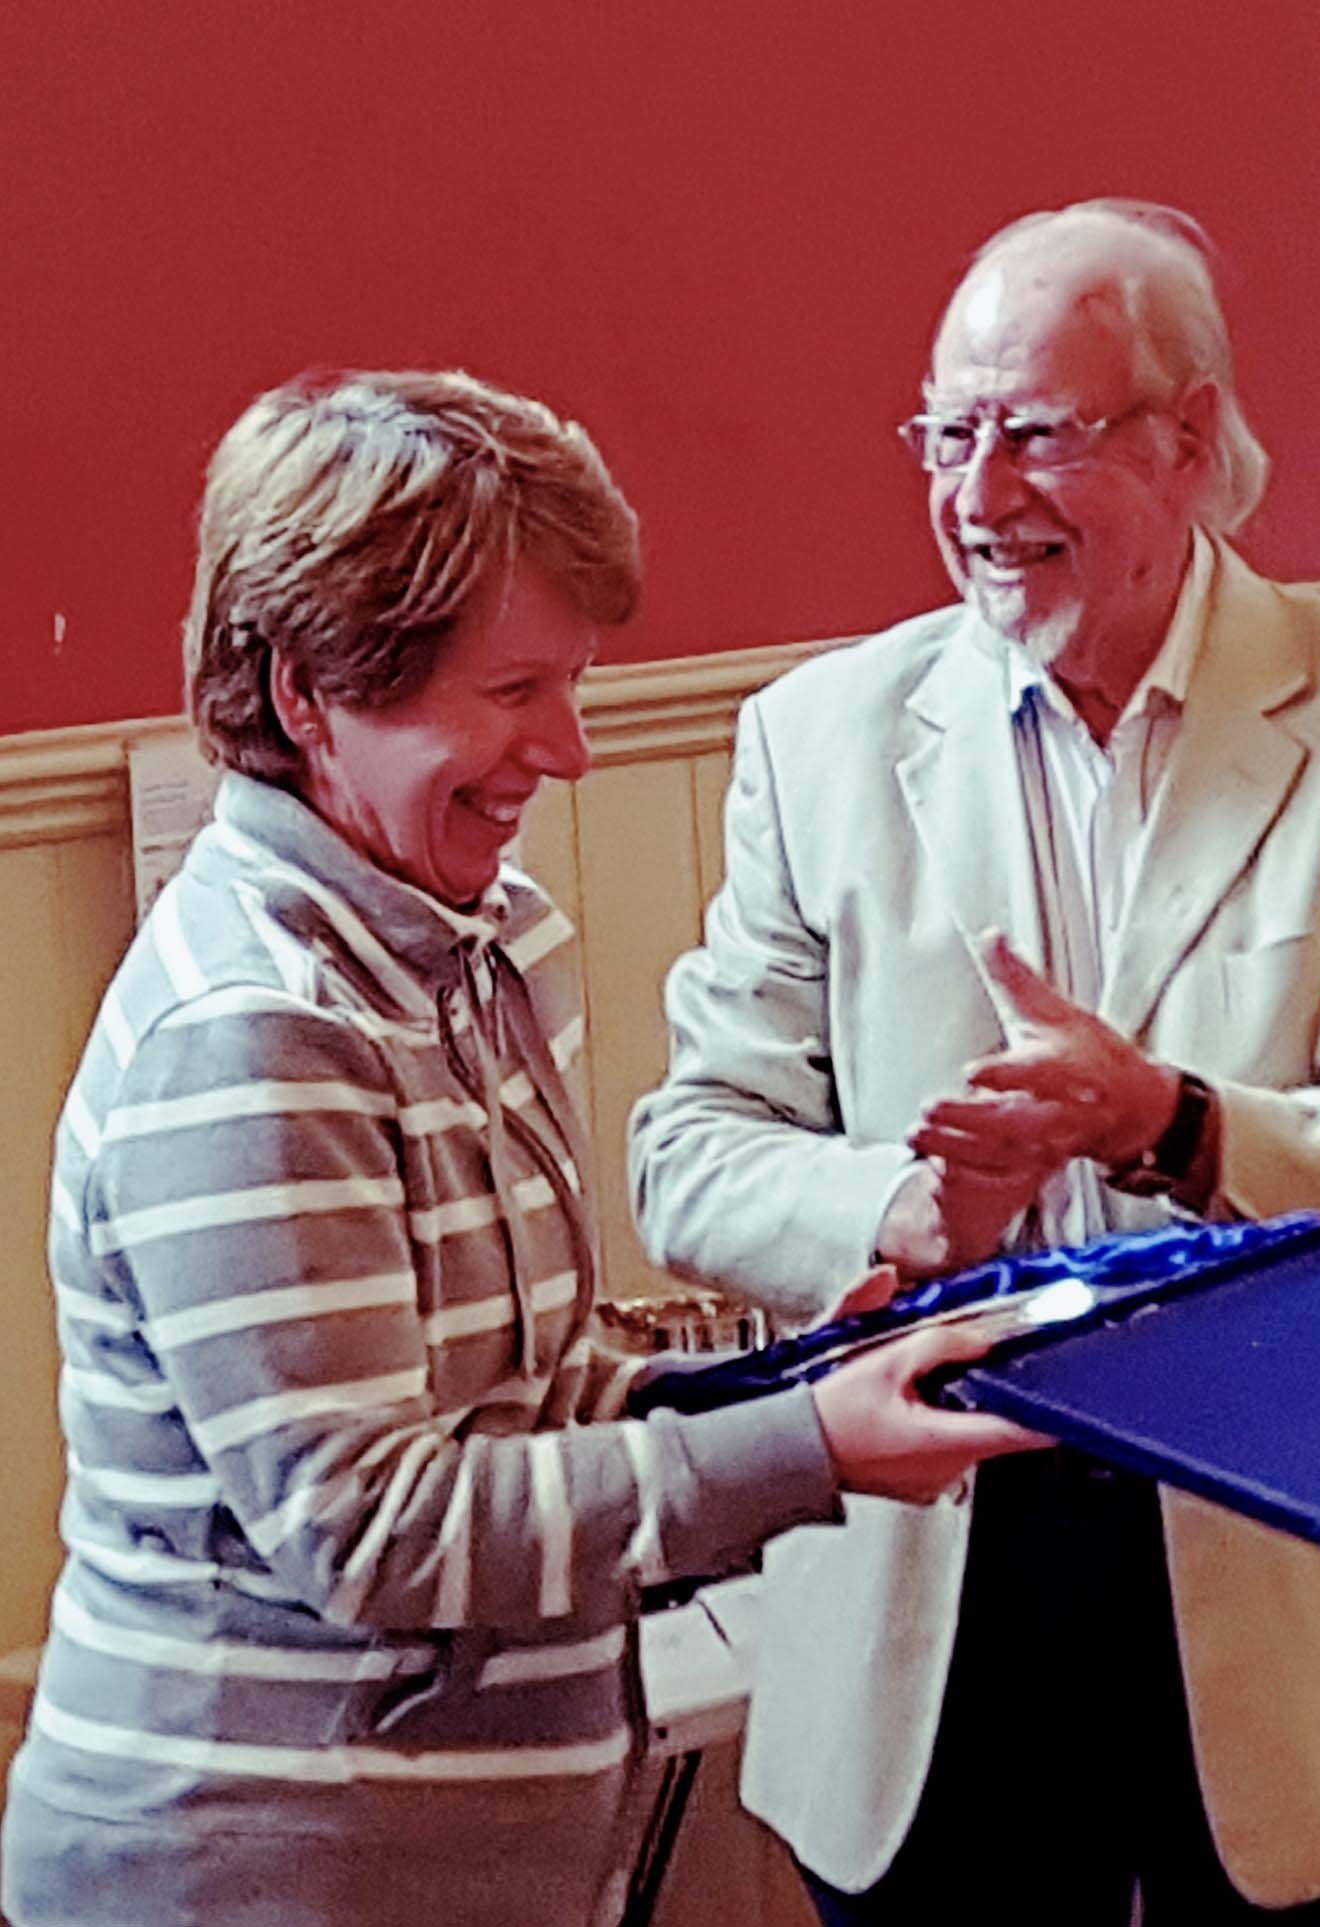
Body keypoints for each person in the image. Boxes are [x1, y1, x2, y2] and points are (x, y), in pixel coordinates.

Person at [629, 199, 1320, 1922]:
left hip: (1316, 1574)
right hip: (946, 1570)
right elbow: (692, 1148)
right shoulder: (816, 740)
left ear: (1190, 439)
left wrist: (1176, 1123)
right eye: (948, 436)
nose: (980, 493)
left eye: (1038, 433)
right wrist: (912, 1209)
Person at [0, 370, 1039, 1927]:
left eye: (572, 684)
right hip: (256, 1876)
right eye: (510, 692)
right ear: (308, 691)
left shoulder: (469, 950)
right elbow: (374, 1530)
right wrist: (807, 1449)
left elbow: (516, 1400)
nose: (569, 749)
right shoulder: (255, 1028)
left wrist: (795, 1387)